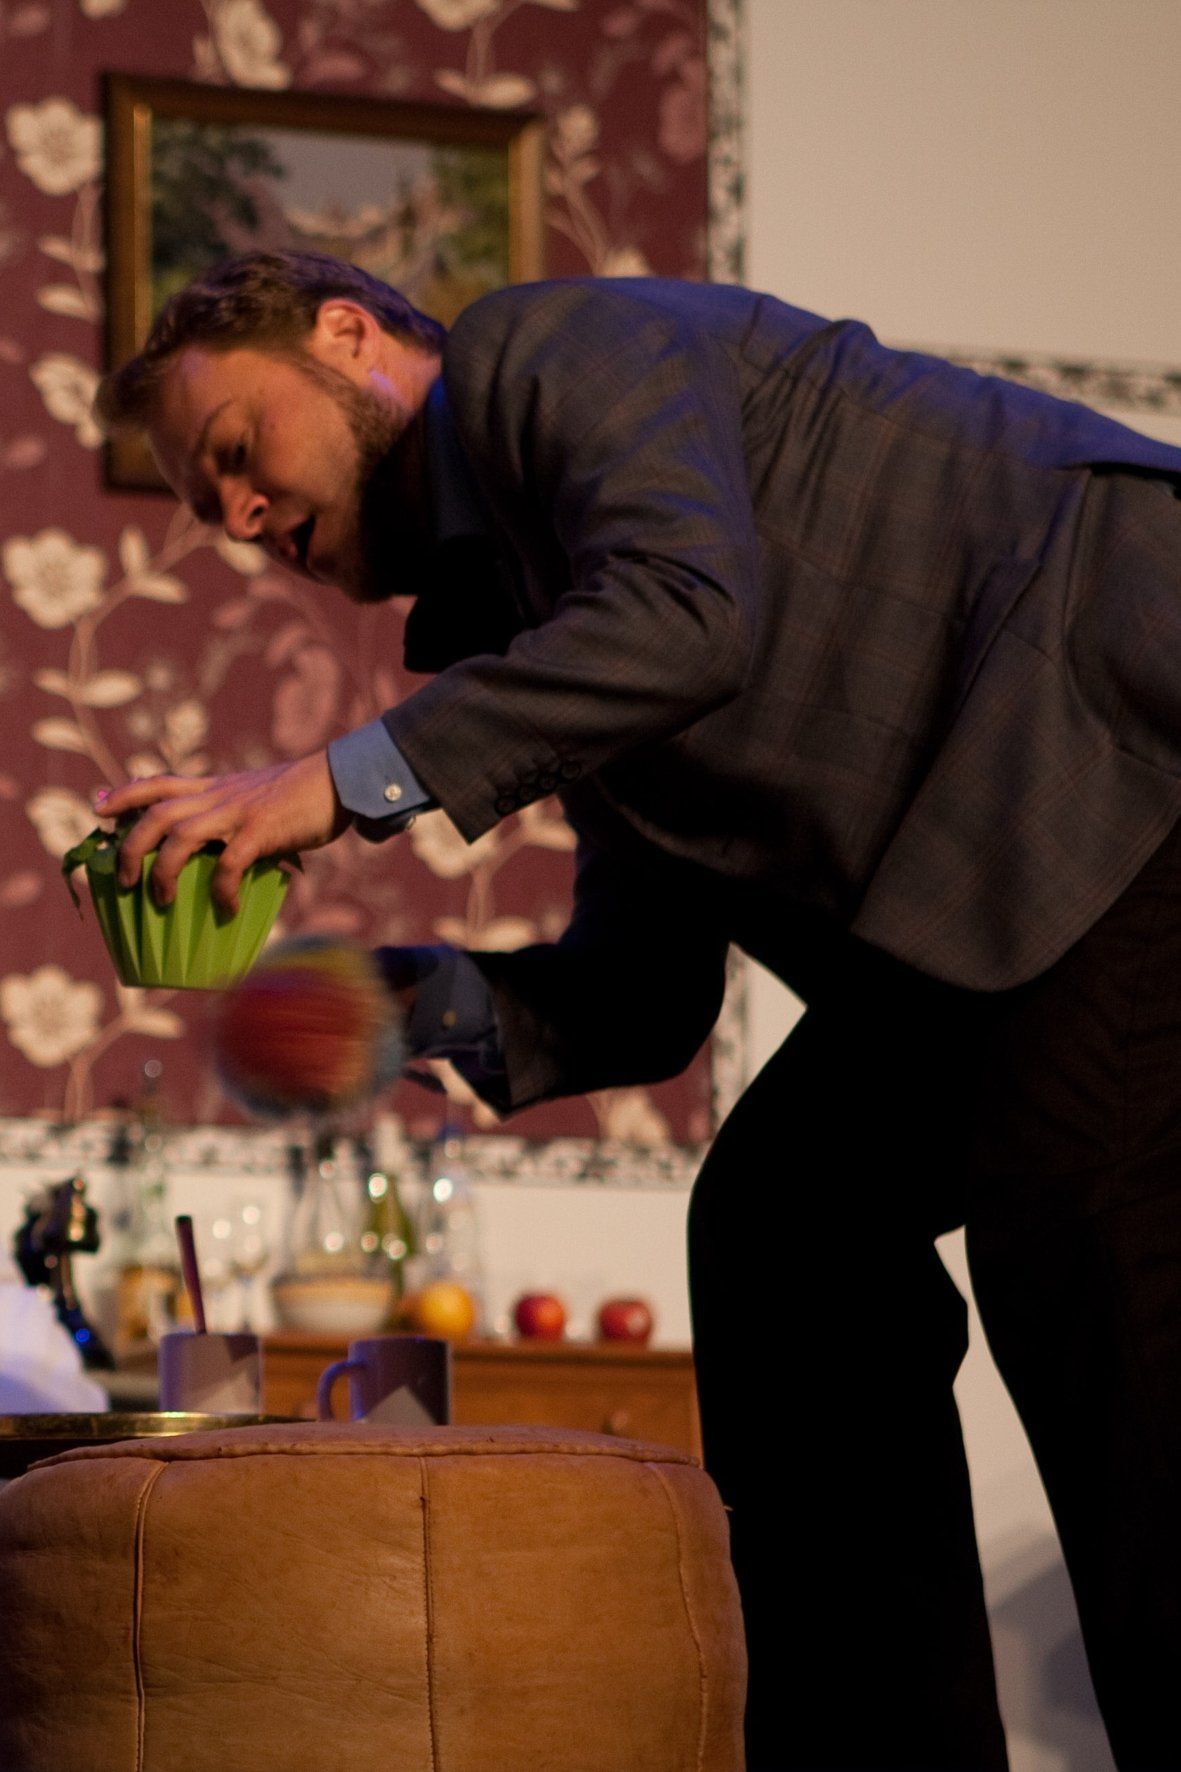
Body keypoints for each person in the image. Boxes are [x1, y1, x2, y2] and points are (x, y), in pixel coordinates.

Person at [94, 250, 1181, 1772]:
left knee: (1080, 1222)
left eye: (234, 450)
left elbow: (684, 618)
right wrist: (384, 1011)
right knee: (784, 1225)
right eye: (207, 507)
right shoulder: (537, 616)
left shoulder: (550, 345)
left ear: (349, 336)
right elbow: (640, 992)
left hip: (1123, 748)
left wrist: (327, 786)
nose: (235, 517)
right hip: (993, 894)